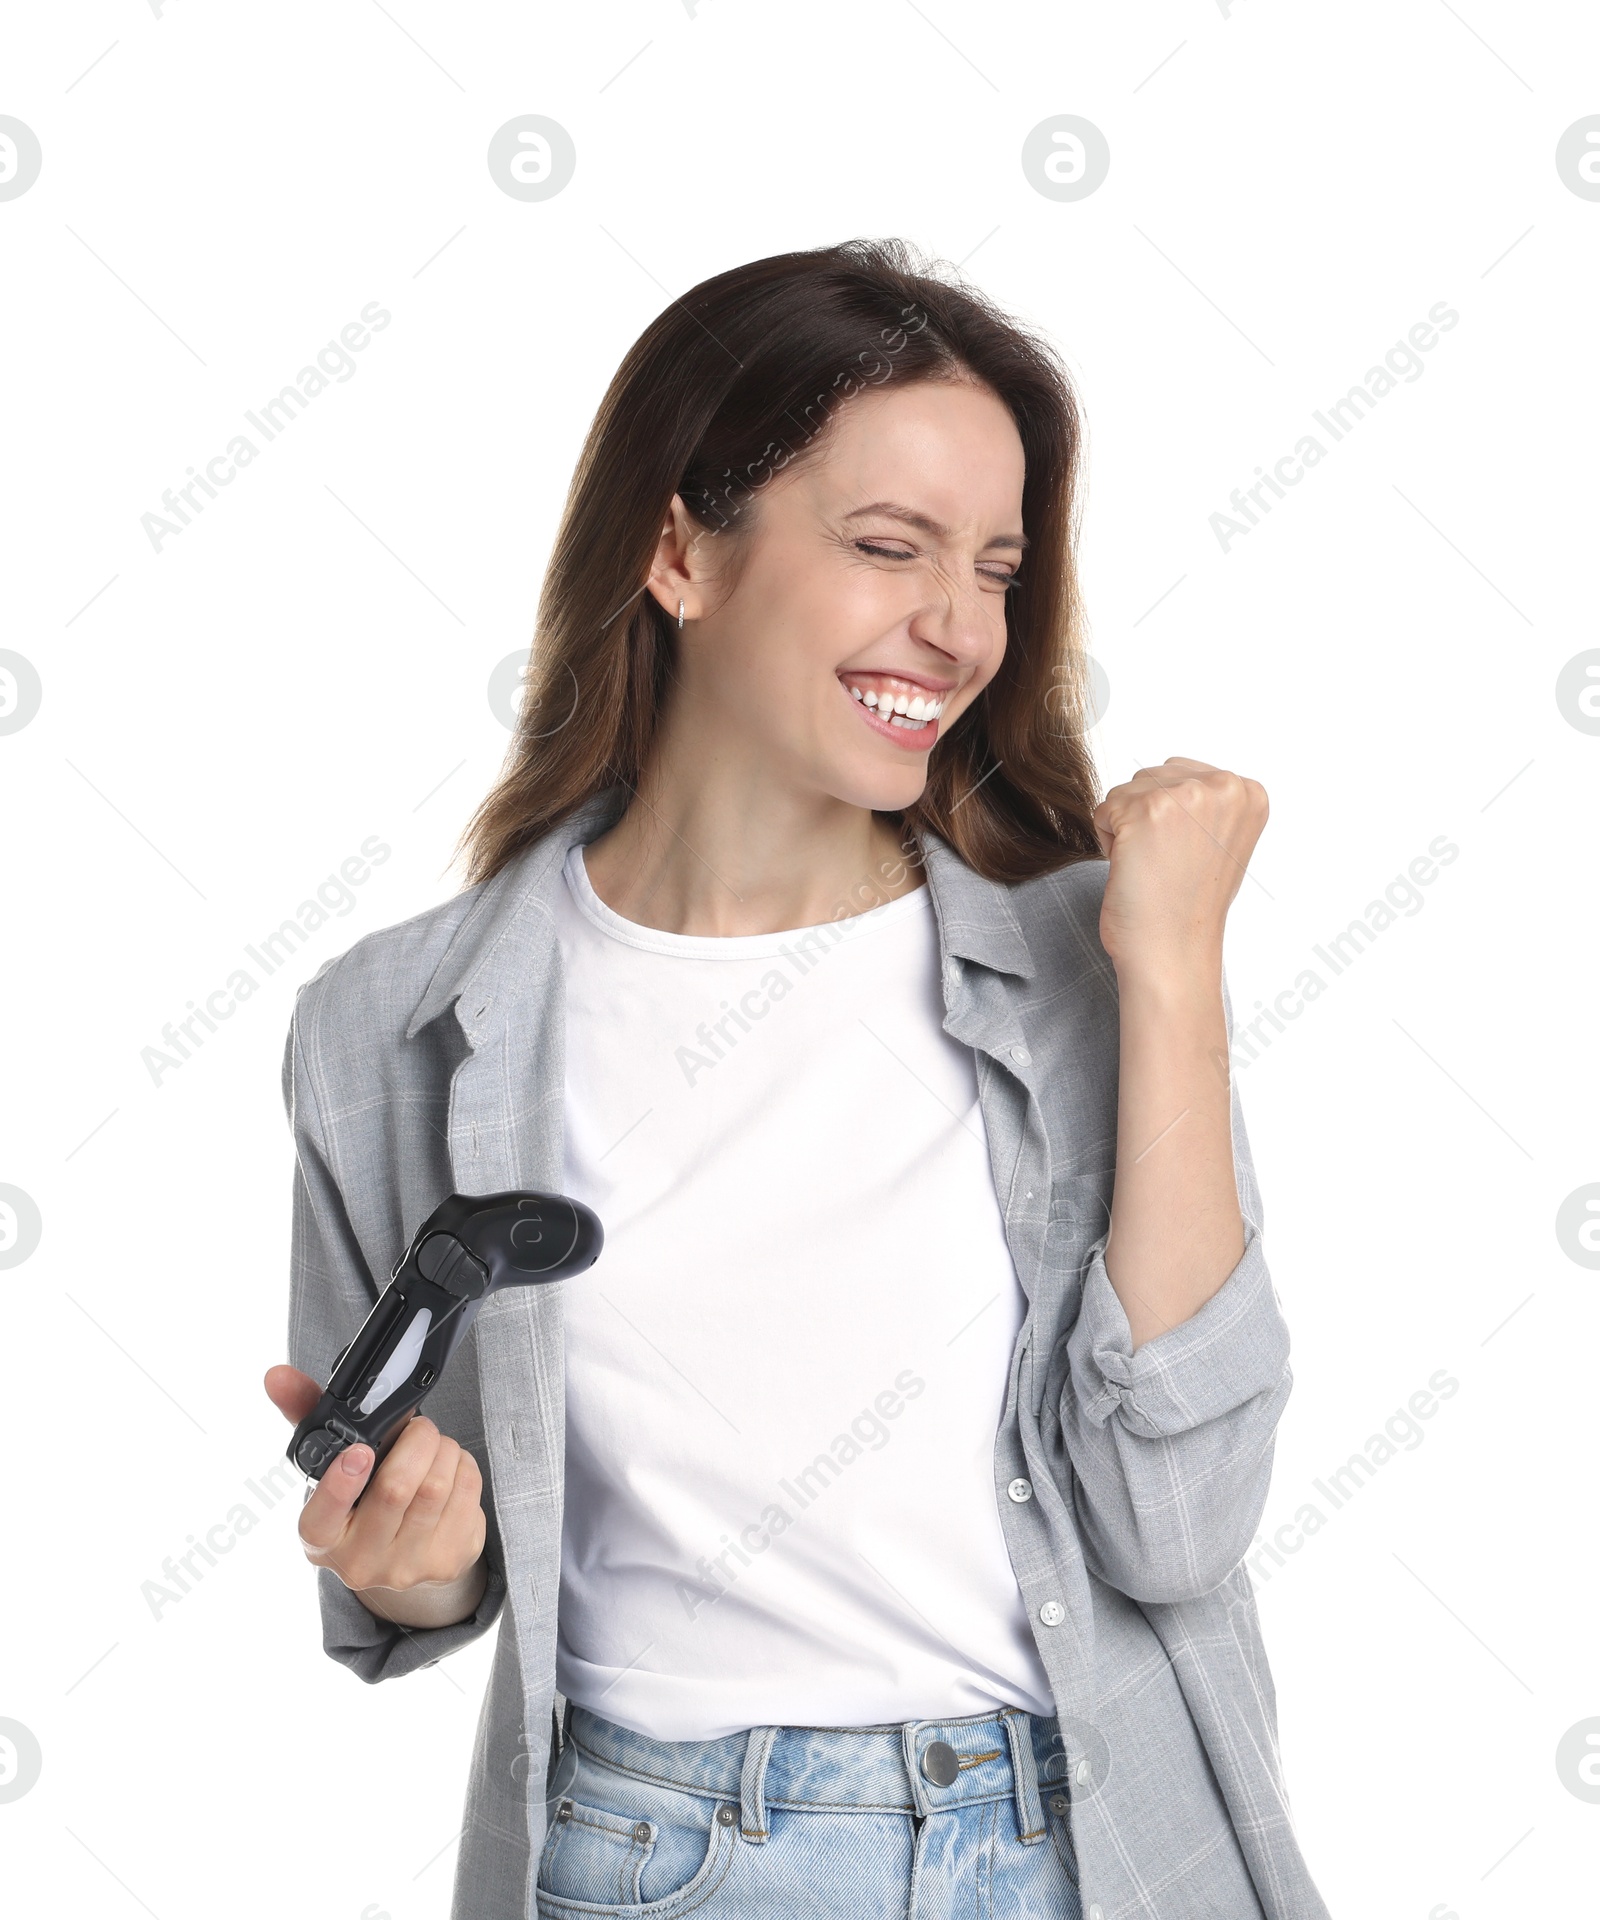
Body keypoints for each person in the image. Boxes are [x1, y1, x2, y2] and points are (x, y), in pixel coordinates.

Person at [264, 239, 1328, 1920]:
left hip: (1081, 1856)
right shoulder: (394, 1026)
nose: (958, 625)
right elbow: (429, 1557)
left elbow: (1177, 1524)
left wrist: (1174, 975)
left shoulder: (1092, 962)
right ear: (678, 550)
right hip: (651, 1862)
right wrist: (414, 1563)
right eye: (887, 547)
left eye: (995, 564)